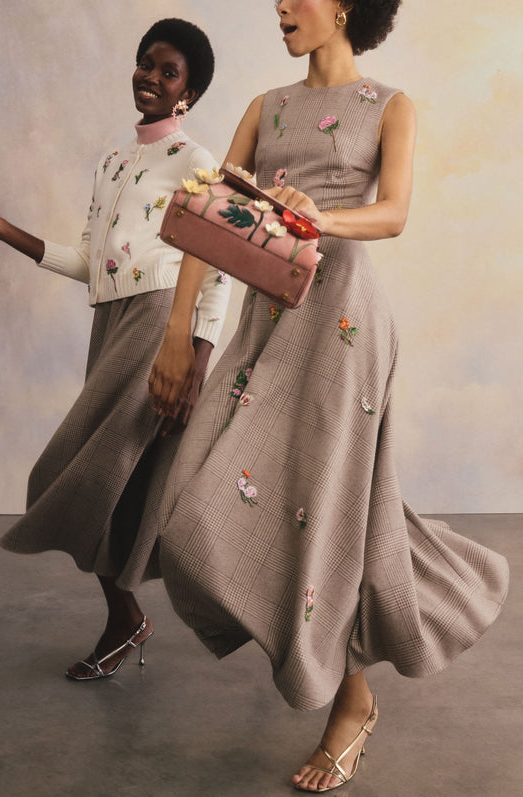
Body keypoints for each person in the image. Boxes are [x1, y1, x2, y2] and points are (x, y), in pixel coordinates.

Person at [148, 1, 509, 792]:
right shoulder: (264, 107)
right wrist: (179, 332)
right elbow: (209, 213)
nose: (281, 5)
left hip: (344, 323)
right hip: (268, 320)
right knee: (193, 516)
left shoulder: (390, 106)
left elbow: (396, 213)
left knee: (325, 504)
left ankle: (347, 704)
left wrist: (320, 217)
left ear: (346, 5)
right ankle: (349, 661)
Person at [0, 18, 231, 681]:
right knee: (112, 485)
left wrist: (197, 357)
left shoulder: (197, 161)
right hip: (112, 321)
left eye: (170, 72)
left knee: (71, 473)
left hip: (161, 320)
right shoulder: (112, 162)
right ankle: (126, 617)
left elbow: (216, 264)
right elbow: (93, 262)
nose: (151, 77)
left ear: (189, 92)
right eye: (145, 64)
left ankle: (156, 612)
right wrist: (3, 230)